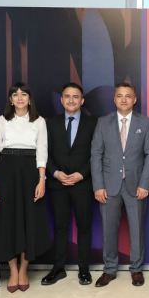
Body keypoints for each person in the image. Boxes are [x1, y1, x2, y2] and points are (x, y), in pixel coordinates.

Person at [0, 82, 51, 293]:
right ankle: (13, 270)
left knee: (29, 220)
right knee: (7, 220)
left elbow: (42, 152)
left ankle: (24, 269)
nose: (20, 98)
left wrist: (42, 179)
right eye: (15, 94)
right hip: (5, 173)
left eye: (24, 94)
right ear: (11, 99)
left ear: (29, 99)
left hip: (30, 173)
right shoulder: (1, 121)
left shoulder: (39, 122)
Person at [91, 83, 149, 287]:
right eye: (119, 96)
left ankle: (136, 269)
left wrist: (145, 184)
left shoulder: (145, 122)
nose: (124, 99)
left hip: (136, 185)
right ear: (114, 99)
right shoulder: (103, 122)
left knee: (137, 230)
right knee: (109, 230)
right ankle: (109, 269)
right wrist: (98, 185)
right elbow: (96, 154)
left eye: (128, 96)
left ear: (134, 100)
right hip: (108, 185)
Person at [41, 83, 97, 286]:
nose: (71, 100)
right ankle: (58, 268)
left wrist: (82, 174)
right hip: (58, 184)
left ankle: (84, 269)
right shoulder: (50, 123)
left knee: (84, 227)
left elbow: (97, 154)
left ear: (82, 101)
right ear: (61, 100)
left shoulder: (94, 123)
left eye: (75, 97)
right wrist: (56, 173)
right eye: (67, 96)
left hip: (83, 184)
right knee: (60, 227)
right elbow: (43, 152)